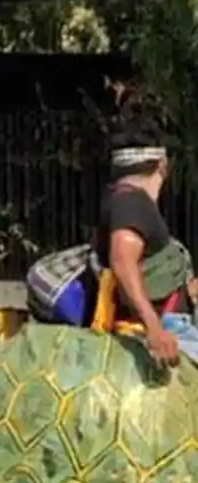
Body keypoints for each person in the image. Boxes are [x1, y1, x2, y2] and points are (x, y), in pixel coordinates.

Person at [93, 137, 197, 364]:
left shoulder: (125, 199)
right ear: (162, 164)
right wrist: (154, 328)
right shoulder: (131, 203)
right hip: (167, 328)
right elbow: (122, 262)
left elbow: (146, 268)